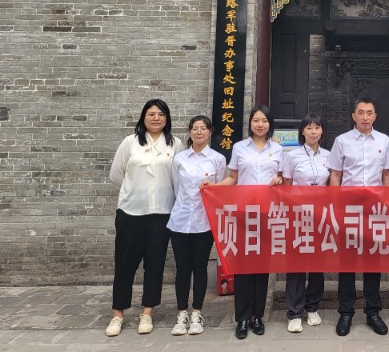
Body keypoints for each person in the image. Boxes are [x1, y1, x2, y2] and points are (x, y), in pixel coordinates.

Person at [106, 99, 183, 337]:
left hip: (162, 213)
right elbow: (116, 175)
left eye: (161, 114)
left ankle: (147, 312)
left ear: (167, 118)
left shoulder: (175, 144)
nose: (156, 118)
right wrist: (134, 191)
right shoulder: (129, 142)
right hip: (131, 213)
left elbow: (178, 178)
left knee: (155, 264)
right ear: (143, 117)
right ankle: (118, 314)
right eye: (151, 114)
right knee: (125, 264)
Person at [208, 104, 282, 340]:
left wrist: (279, 180)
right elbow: (233, 178)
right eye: (256, 120)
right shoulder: (239, 147)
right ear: (250, 123)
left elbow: (284, 179)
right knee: (243, 266)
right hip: (243, 213)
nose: (260, 124)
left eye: (264, 121)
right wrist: (214, 187)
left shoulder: (279, 150)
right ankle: (241, 317)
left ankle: (257, 316)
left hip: (267, 214)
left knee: (262, 266)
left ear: (270, 124)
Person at [328, 96, 389, 337]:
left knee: (372, 262)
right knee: (347, 262)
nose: (365, 117)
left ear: (375, 116)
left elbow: (387, 174)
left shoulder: (384, 141)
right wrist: (335, 206)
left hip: (374, 210)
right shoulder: (342, 141)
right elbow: (336, 174)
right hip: (349, 209)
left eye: (369, 113)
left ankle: (373, 311)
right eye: (361, 112)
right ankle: (346, 312)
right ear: (353, 116)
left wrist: (386, 203)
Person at [167, 115, 226, 336]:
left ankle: (197, 313)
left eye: (203, 128)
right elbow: (176, 187)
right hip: (180, 220)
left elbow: (219, 189)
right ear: (189, 132)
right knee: (182, 268)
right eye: (195, 128)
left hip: (204, 222)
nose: (199, 132)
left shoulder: (218, 159)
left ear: (210, 132)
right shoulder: (180, 159)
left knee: (200, 267)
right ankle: (182, 313)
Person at [281, 113, 331, 333]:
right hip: (298, 215)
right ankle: (294, 312)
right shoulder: (291, 156)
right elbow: (287, 185)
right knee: (296, 264)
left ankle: (312, 307)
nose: (313, 132)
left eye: (317, 127)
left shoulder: (329, 156)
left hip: (320, 215)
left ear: (322, 131)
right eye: (309, 128)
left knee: (318, 263)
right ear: (302, 131)